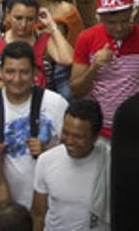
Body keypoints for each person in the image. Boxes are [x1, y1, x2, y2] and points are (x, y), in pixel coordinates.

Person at [0, 42, 69, 209]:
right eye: (10, 72)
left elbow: (74, 151)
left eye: (24, 72)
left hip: (49, 204)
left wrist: (48, 152)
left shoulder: (56, 103)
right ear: (0, 73)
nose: (16, 79)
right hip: (3, 207)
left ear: (34, 73)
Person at [69, 0, 139, 138]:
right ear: (100, 18)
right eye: (111, 23)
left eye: (125, 21)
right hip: (100, 130)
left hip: (137, 127)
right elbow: (76, 91)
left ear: (132, 12)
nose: (119, 28)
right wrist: (95, 67)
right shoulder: (86, 38)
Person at [30, 99, 109, 231]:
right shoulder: (46, 160)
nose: (70, 141)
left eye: (78, 137)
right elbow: (38, 214)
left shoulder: (110, 162)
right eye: (66, 133)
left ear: (95, 136)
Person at [0, 0, 74, 91]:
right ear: (8, 14)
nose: (23, 24)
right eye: (18, 18)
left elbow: (68, 59)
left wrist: (52, 26)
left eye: (30, 19)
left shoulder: (45, 41)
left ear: (37, 18)